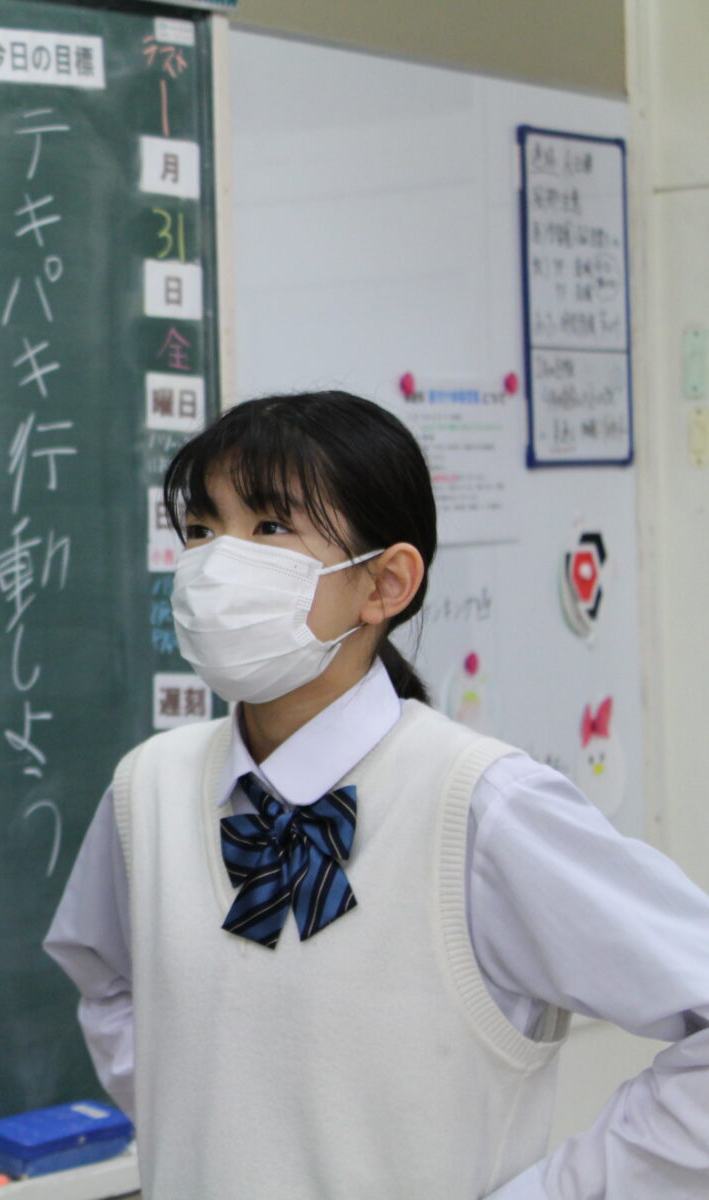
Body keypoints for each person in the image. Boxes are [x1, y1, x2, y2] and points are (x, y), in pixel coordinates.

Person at [45, 392, 709, 1198]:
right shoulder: (146, 787)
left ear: (386, 583)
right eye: (200, 529)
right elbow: (106, 983)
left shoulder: (482, 804)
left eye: (269, 527)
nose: (216, 563)